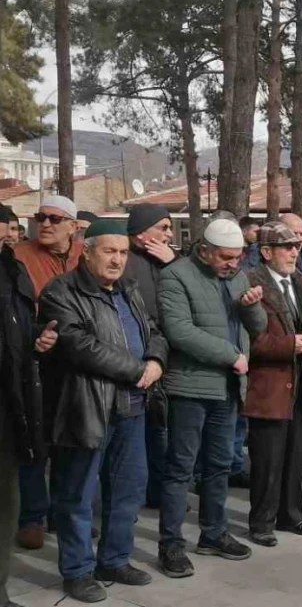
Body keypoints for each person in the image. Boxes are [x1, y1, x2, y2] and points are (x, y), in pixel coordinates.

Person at [38, 220, 169, 603]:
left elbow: (154, 330)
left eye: (123, 252)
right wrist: (138, 370)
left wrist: (157, 360)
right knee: (76, 494)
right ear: (86, 250)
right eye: (109, 251)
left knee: (127, 491)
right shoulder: (61, 291)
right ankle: (77, 571)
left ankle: (113, 559)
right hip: (86, 406)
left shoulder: (129, 289)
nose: (117, 260)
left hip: (132, 407)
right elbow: (78, 344)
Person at [156, 218, 267, 578]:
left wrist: (251, 305)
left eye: (237, 257)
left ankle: (213, 533)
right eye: (225, 257)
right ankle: (171, 544)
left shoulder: (238, 277)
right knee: (180, 469)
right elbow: (179, 331)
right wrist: (230, 355)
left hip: (227, 388)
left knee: (219, 465)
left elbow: (259, 326)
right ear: (203, 250)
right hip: (190, 387)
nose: (233, 263)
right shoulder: (176, 276)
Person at [243, 222, 302, 547]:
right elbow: (252, 340)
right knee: (267, 459)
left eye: (297, 246)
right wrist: (289, 346)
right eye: (286, 247)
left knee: (295, 456)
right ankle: (261, 522)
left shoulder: (299, 283)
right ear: (266, 253)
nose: (295, 252)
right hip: (270, 385)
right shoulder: (251, 284)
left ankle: (291, 515)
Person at [12, 195, 83, 550]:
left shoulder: (85, 253)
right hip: (34, 361)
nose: (46, 224)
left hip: (79, 362)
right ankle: (32, 516)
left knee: (70, 442)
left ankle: (62, 512)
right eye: (41, 217)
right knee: (34, 443)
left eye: (56, 218)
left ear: (73, 225)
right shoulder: (18, 256)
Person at [1, 206, 59, 607]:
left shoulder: (11, 269)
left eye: (10, 228)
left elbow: (16, 328)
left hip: (9, 404)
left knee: (6, 503)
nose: (10, 234)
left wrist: (37, 338)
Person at [123, 205, 177, 510]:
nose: (168, 234)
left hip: (166, 355)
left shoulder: (167, 259)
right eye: (163, 227)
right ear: (142, 231)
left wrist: (173, 263)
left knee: (161, 431)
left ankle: (158, 491)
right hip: (137, 357)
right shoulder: (126, 261)